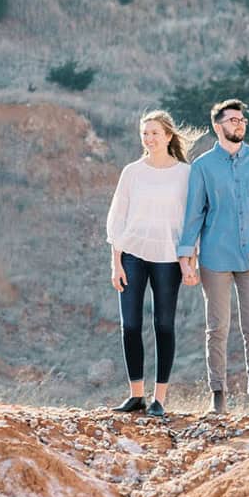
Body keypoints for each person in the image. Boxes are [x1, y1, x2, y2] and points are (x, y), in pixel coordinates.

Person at [177, 98, 249, 414]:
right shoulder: (202, 167)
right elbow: (193, 215)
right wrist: (187, 258)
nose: (240, 124)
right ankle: (218, 395)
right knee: (217, 328)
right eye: (233, 120)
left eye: (242, 120)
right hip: (215, 257)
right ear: (218, 126)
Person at [103, 109, 198, 418]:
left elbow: (191, 219)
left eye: (155, 132)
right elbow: (117, 217)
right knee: (130, 325)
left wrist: (189, 259)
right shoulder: (132, 172)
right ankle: (136, 396)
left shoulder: (185, 173)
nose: (149, 138)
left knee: (163, 325)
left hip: (169, 257)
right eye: (145, 133)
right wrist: (115, 262)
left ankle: (159, 398)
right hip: (132, 253)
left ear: (168, 136)